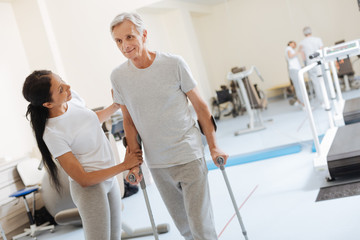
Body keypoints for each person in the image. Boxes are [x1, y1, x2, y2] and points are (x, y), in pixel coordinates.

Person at [109, 12, 228, 240]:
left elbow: (201, 108)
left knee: (201, 226)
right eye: (119, 41)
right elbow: (129, 122)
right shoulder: (118, 76)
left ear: (144, 35)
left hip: (188, 154)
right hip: (158, 163)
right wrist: (133, 160)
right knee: (185, 228)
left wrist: (213, 146)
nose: (125, 46)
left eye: (130, 37)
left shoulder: (173, 64)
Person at [22, 70, 143, 240]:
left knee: (115, 237)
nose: (68, 86)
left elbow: (91, 120)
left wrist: (115, 105)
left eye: (62, 81)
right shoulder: (52, 132)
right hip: (91, 189)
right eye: (60, 89)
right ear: (48, 104)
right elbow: (84, 179)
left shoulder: (72, 99)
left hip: (109, 179)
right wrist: (124, 165)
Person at [298, 26, 324, 105]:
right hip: (319, 62)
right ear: (311, 32)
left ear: (304, 33)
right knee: (322, 81)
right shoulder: (318, 39)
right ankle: (327, 99)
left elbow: (303, 56)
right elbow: (321, 50)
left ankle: (321, 101)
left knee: (316, 83)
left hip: (310, 64)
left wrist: (305, 65)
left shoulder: (302, 43)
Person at [285, 41, 304, 107]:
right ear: (289, 43)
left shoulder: (291, 50)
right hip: (294, 70)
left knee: (299, 87)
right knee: (298, 87)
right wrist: (298, 52)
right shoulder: (288, 48)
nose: (295, 45)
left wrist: (299, 50)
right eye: (293, 43)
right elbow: (290, 56)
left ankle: (299, 101)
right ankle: (303, 104)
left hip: (296, 70)